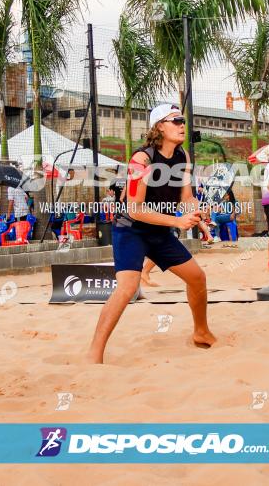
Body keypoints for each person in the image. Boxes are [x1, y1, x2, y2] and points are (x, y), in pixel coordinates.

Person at [87, 104, 216, 364]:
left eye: (183, 120)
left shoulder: (183, 157)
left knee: (197, 278)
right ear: (159, 127)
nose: (182, 124)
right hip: (131, 230)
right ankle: (94, 353)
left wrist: (198, 212)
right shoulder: (141, 160)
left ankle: (201, 332)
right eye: (176, 120)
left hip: (159, 230)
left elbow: (187, 197)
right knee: (127, 288)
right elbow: (135, 209)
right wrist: (178, 221)